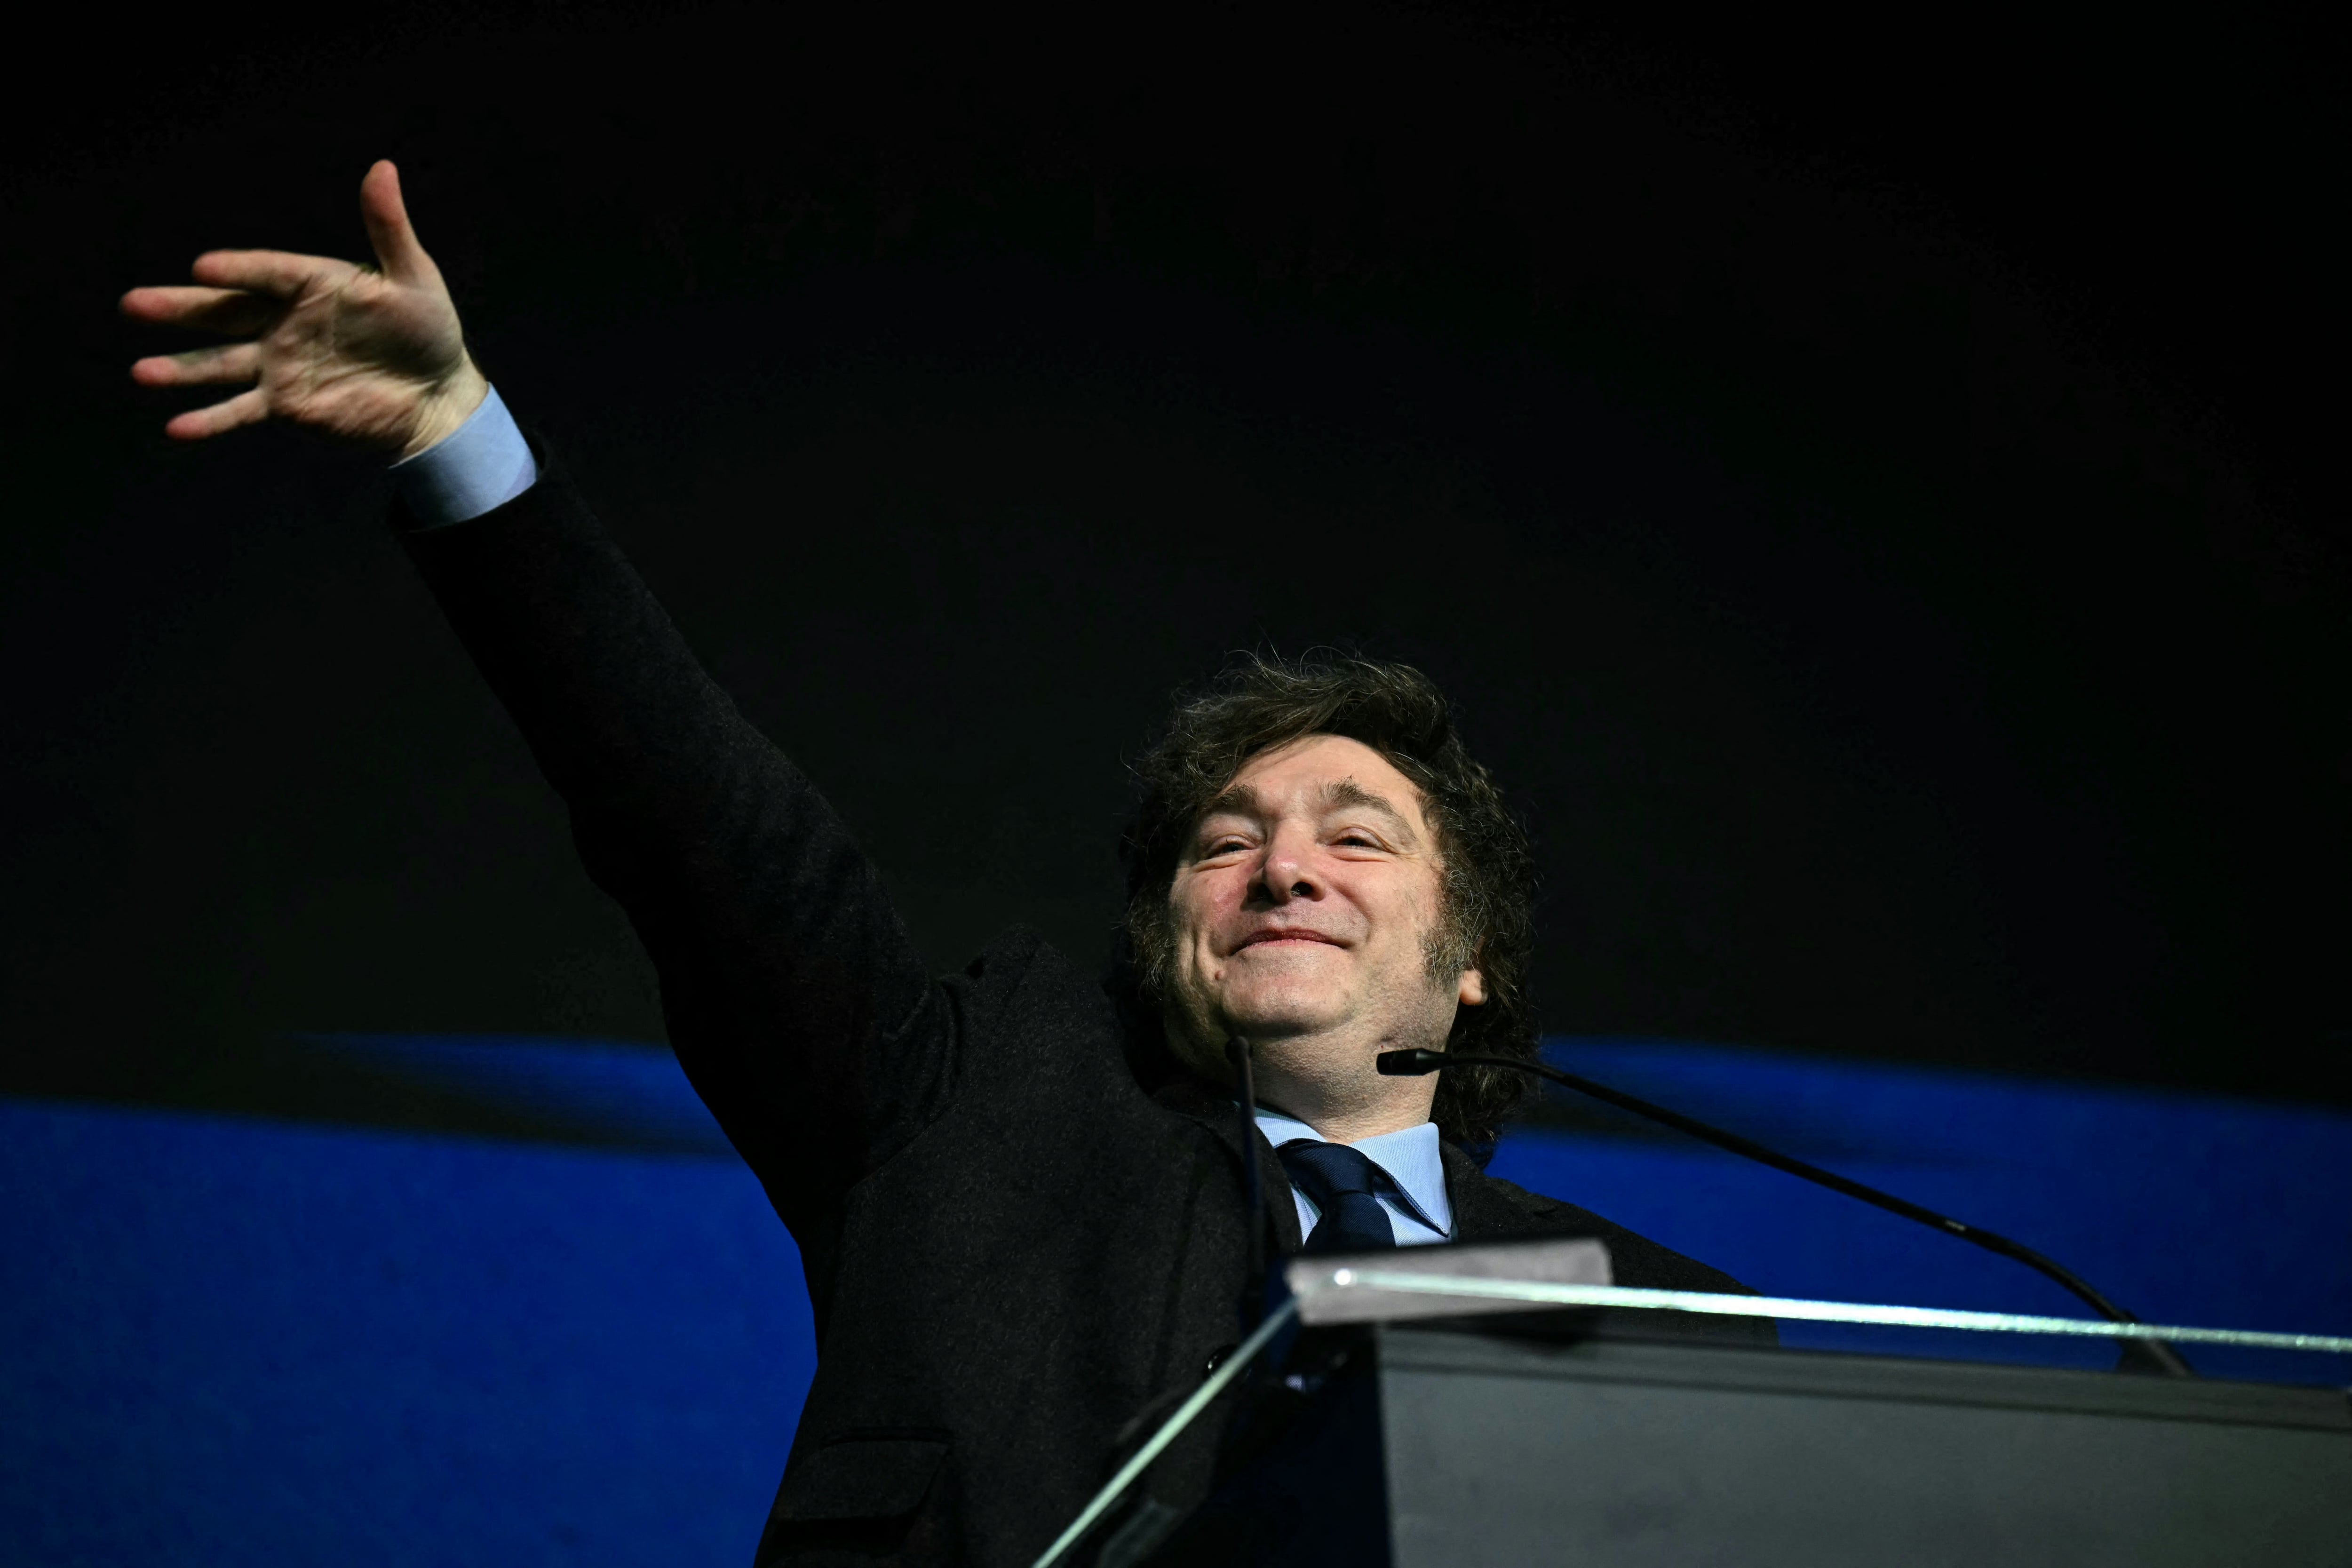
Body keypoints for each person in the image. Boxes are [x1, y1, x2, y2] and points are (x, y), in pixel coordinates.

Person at [123, 161, 1764, 1568]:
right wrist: (457, 438)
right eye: (1227, 842)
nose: (1284, 870)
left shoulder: (1658, 1320)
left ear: (1471, 960)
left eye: (1355, 834)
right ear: (1166, 933)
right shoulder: (962, 1109)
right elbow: (713, 842)